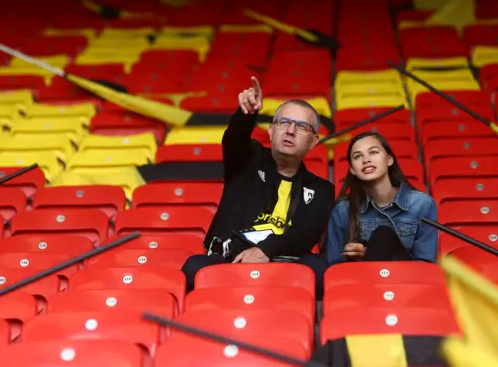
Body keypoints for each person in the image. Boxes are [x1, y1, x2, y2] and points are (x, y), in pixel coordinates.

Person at [181, 76, 335, 294]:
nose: (290, 130)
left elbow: (305, 234)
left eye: (302, 127)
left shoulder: (321, 190)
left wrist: (265, 251)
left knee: (319, 271)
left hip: (283, 264)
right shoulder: (248, 159)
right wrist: (247, 114)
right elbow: (234, 139)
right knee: (193, 268)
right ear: (271, 131)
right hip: (230, 260)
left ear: (314, 142)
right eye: (284, 122)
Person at [325, 132, 438, 265]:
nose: (366, 159)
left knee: (383, 236)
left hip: (407, 282)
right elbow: (333, 267)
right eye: (358, 156)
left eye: (373, 152)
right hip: (362, 282)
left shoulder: (422, 204)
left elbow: (425, 266)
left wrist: (371, 254)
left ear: (389, 159)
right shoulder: (343, 210)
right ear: (352, 170)